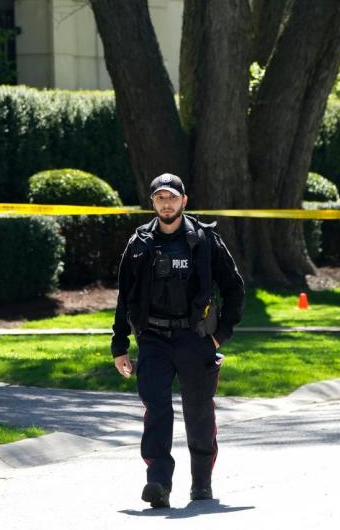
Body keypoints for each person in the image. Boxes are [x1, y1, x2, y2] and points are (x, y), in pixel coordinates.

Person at [111, 173, 246, 508]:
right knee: (156, 409)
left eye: (172, 197)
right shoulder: (139, 243)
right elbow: (124, 297)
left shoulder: (205, 240)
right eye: (160, 198)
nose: (166, 203)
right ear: (152, 202)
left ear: (184, 201)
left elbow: (235, 288)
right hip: (153, 339)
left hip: (195, 338)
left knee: (199, 413)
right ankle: (158, 481)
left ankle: (201, 482)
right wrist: (120, 345)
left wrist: (220, 335)